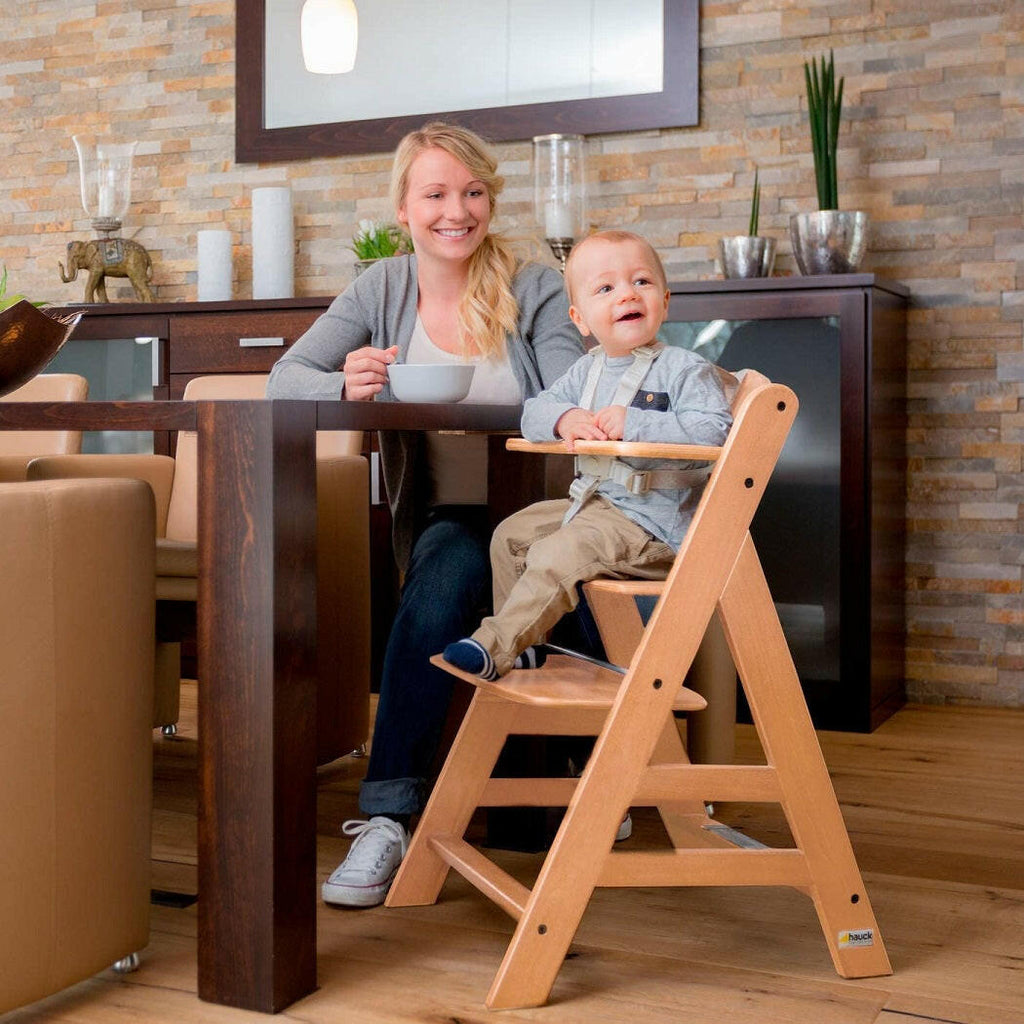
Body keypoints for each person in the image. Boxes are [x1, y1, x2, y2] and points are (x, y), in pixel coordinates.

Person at [265, 122, 584, 908]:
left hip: (546, 512)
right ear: (404, 210)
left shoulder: (534, 282)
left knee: (556, 598)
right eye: (436, 194)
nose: (457, 209)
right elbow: (285, 376)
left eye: (472, 192)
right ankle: (388, 819)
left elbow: (575, 392)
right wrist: (347, 381)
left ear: (489, 200)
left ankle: (591, 781)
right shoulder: (381, 288)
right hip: (454, 511)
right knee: (440, 585)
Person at [443, 229, 733, 681]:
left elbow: (715, 431)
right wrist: (564, 418)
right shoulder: (587, 369)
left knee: (560, 550)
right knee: (511, 535)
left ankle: (494, 644)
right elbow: (534, 411)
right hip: (597, 507)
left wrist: (634, 424)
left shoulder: (683, 368)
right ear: (580, 319)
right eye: (606, 288)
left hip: (654, 525)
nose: (626, 296)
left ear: (665, 300)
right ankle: (528, 647)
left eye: (641, 282)